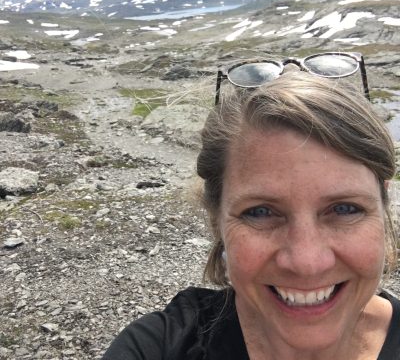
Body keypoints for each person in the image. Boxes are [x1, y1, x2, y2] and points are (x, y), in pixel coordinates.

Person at [102, 52, 400, 359]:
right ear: (216, 219)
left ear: (384, 206)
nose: (307, 263)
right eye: (261, 212)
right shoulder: (159, 347)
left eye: (344, 209)